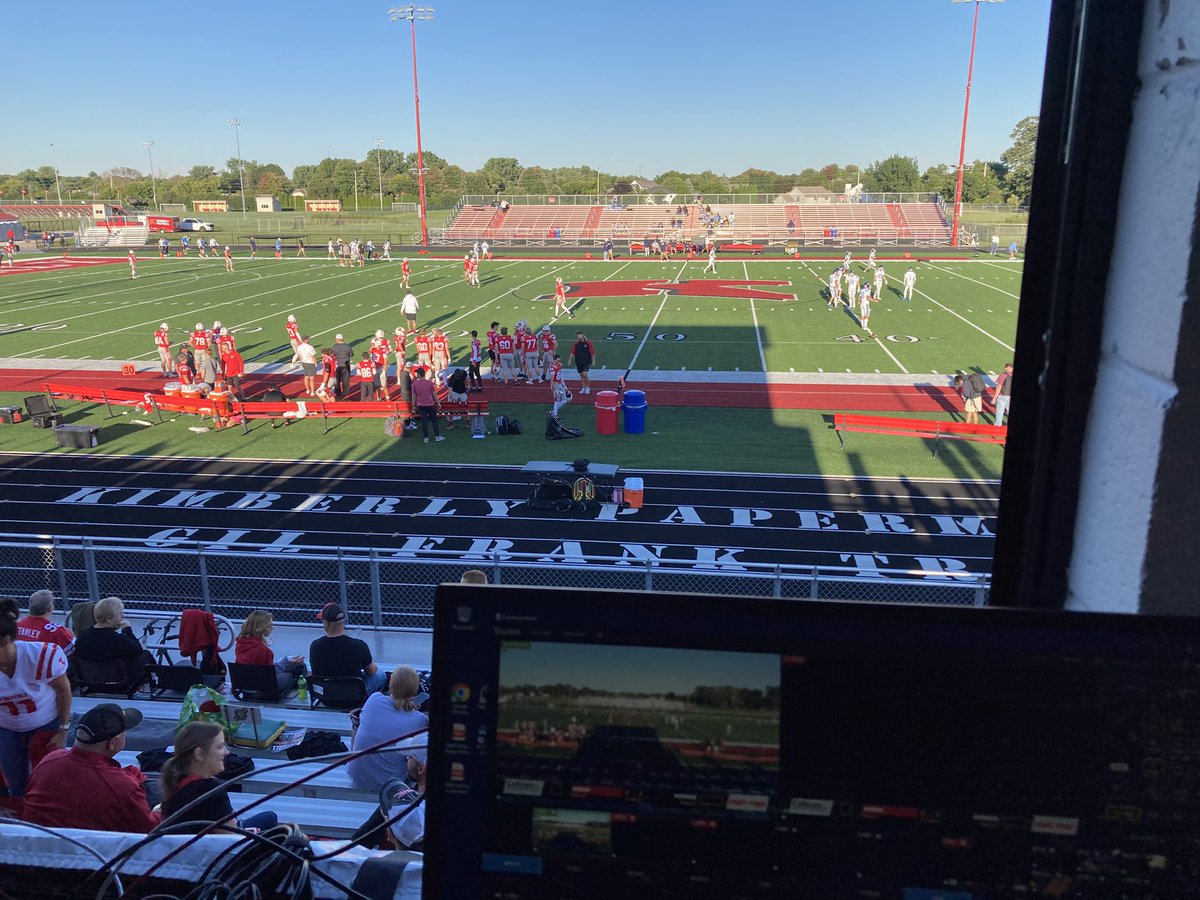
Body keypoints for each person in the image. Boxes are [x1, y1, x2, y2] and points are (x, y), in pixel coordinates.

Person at [22, 703, 161, 833]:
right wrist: (162, 810)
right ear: (112, 743)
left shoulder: (49, 761)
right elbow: (150, 829)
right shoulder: (122, 786)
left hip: (37, 849)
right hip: (90, 854)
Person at [0, 598, 72, 797]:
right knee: (15, 783)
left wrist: (64, 728)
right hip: (7, 726)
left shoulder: (39, 655)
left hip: (45, 722)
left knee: (50, 781)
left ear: (5, 642)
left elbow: (63, 690)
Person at [159, 721, 278, 834]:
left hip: (196, 846)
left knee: (269, 817)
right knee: (283, 829)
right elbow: (231, 841)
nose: (227, 752)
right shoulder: (211, 789)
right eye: (220, 747)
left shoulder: (179, 781)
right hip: (211, 850)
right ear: (199, 754)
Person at [346, 666, 428, 793]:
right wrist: (412, 712)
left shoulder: (374, 699)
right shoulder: (419, 720)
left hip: (356, 777)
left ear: (391, 683)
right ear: (415, 690)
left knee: (359, 725)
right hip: (390, 786)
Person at [309, 603, 387, 694]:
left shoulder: (315, 646)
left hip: (326, 697)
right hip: (354, 697)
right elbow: (371, 671)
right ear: (343, 622)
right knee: (381, 675)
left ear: (326, 623)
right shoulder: (359, 645)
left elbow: (315, 672)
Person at [73, 596, 155, 672]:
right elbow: (138, 651)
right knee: (145, 655)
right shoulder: (118, 640)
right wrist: (127, 629)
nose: (123, 615)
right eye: (120, 613)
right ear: (108, 619)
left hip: (91, 680)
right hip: (119, 682)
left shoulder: (82, 637)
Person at [235, 610, 306, 695]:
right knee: (299, 668)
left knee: (288, 666)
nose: (272, 628)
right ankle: (299, 696)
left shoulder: (240, 644)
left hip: (244, 686)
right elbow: (269, 676)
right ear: (260, 628)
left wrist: (286, 661)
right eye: (269, 626)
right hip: (260, 689)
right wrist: (287, 665)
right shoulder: (263, 650)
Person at [16, 590, 75, 657]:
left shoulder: (16, 625)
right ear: (50, 608)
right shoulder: (57, 631)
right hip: (45, 666)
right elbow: (72, 653)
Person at [411, 367, 443, 443]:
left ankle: (426, 438)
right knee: (434, 421)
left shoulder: (415, 384)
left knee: (424, 421)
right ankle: (437, 436)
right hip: (430, 404)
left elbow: (413, 396)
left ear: (418, 374)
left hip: (421, 405)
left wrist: (413, 405)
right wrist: (438, 402)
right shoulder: (430, 383)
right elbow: (434, 394)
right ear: (424, 374)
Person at [332, 334, 354, 399]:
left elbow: (332, 354)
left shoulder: (334, 346)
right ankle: (345, 391)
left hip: (338, 365)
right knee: (346, 379)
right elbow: (351, 354)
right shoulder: (347, 346)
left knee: (337, 379)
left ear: (337, 339)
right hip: (346, 364)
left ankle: (337, 392)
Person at [992, 362, 1014, 428]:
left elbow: (999, 386)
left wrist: (994, 398)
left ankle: (998, 425)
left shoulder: (1003, 375)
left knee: (1000, 412)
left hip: (1003, 396)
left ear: (1006, 368)